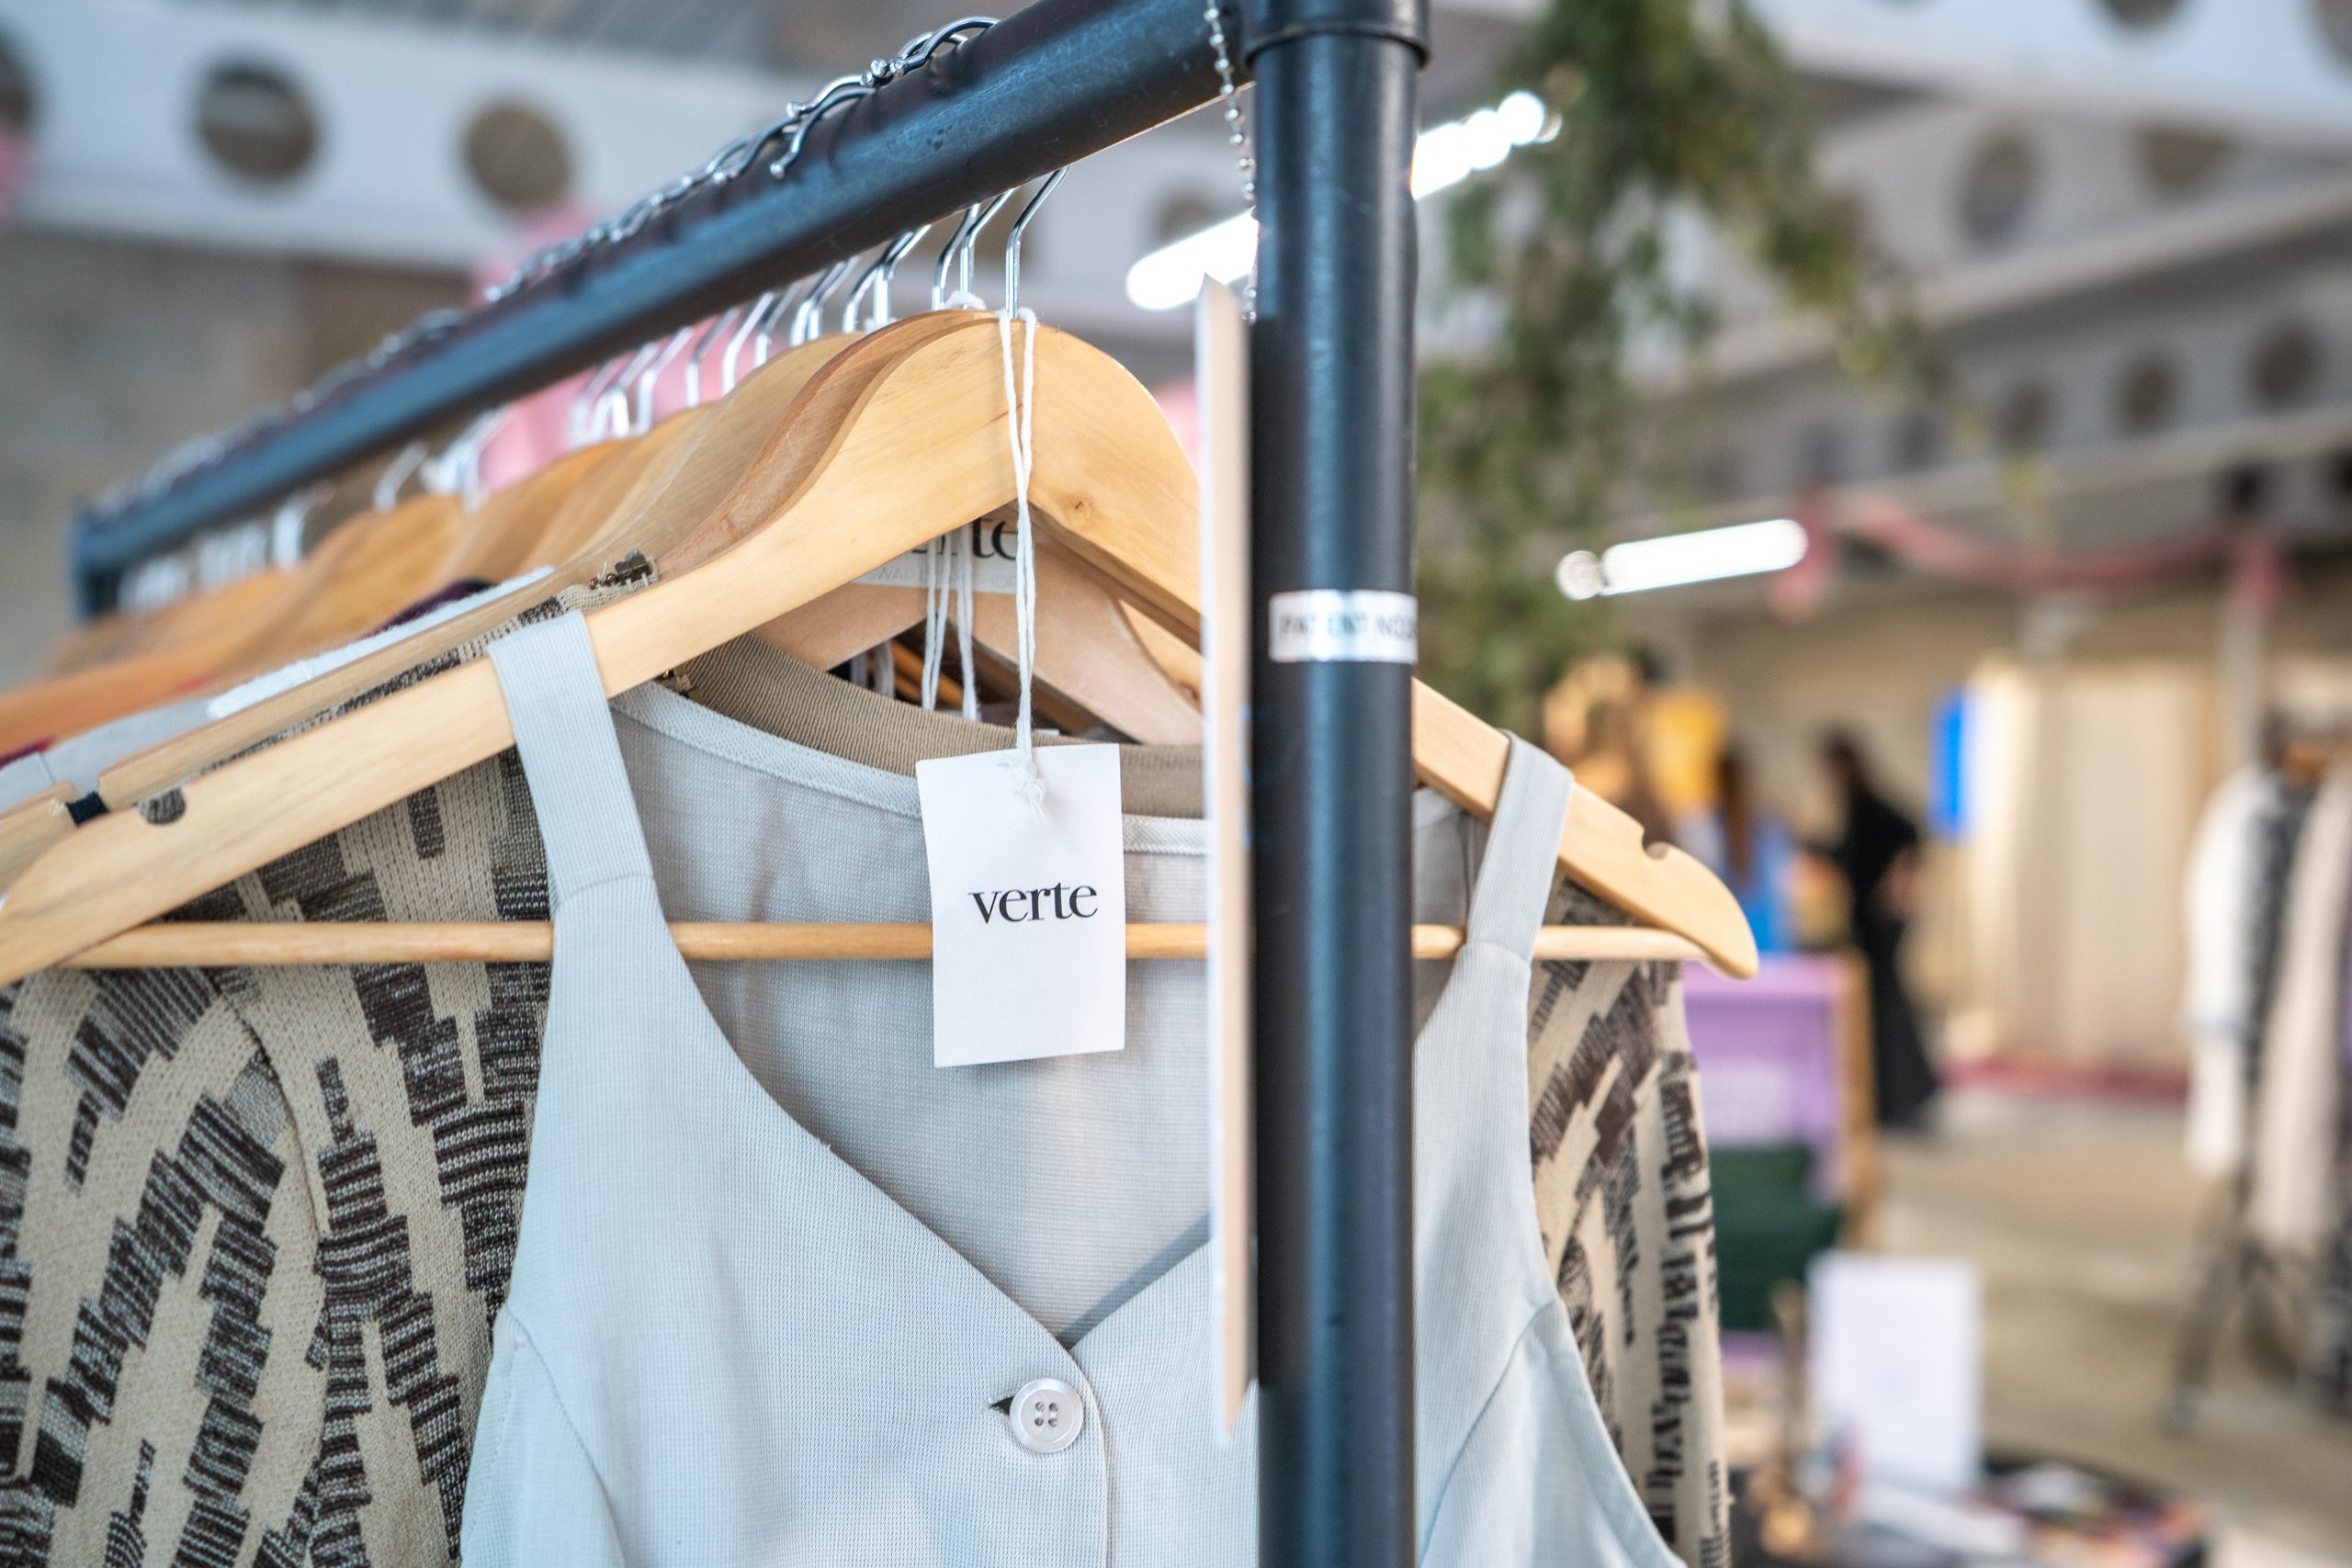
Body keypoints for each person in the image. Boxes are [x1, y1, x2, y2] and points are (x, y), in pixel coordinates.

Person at [1814, 728, 1939, 1128]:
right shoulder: (1855, 804)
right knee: (1884, 1007)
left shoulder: (1869, 803)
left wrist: (1899, 884)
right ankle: (1900, 1096)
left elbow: (1910, 834)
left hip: (1882, 923)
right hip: (1870, 921)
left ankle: (1901, 1097)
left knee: (1885, 1009)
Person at [1681, 743, 1796, 953]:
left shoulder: (1702, 830)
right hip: (1771, 947)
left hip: (1727, 946)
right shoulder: (1773, 827)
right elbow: (1786, 889)